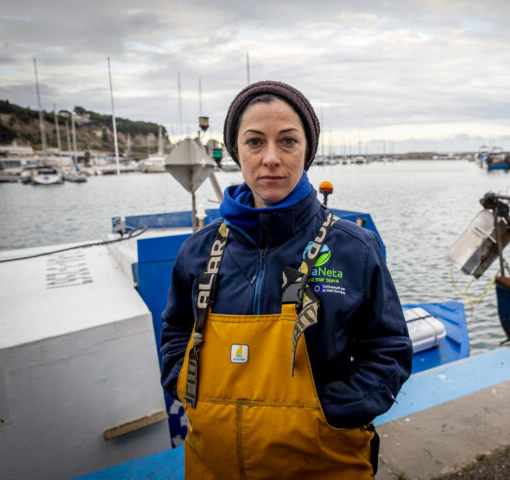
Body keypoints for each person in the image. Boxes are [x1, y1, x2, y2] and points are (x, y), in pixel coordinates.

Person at [160, 80, 412, 479]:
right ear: (235, 151)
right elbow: (176, 332)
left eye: (288, 141)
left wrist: (326, 413)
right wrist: (192, 393)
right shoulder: (198, 251)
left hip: (324, 464)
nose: (271, 158)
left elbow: (388, 349)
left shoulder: (355, 249)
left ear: (307, 150)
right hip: (212, 465)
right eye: (255, 142)